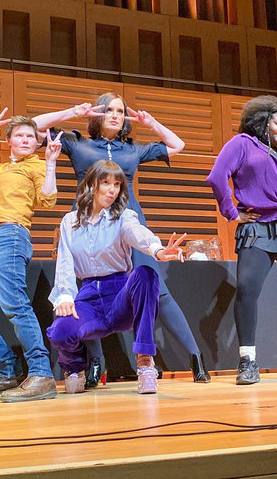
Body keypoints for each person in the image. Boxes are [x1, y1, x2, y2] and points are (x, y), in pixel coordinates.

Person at [34, 93, 210, 385]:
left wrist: (150, 122)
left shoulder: (132, 148)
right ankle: (95, 364)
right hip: (87, 222)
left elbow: (177, 145)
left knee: (155, 286)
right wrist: (73, 112)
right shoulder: (78, 143)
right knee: (83, 292)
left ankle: (194, 357)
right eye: (109, 110)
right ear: (97, 114)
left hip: (127, 221)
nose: (115, 115)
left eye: (120, 110)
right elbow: (33, 126)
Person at [206, 95, 277, 385]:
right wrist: (232, 213)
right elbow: (217, 177)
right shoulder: (242, 144)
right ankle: (247, 361)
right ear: (263, 121)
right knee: (247, 288)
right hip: (258, 227)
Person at [46, 160, 186, 395]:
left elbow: (137, 233)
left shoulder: (124, 216)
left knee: (145, 274)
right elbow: (65, 263)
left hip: (121, 297)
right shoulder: (70, 222)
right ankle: (75, 367)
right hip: (89, 298)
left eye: (117, 184)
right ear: (92, 184)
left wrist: (158, 250)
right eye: (106, 182)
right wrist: (65, 297)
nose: (112, 190)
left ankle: (145, 361)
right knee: (60, 331)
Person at [0, 109, 63, 402]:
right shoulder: (0, 169)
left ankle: (41, 374)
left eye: (31, 136)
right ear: (9, 141)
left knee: (16, 306)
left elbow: (48, 200)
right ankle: (8, 370)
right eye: (19, 135)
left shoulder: (37, 166)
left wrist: (51, 163)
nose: (26, 139)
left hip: (11, 236)